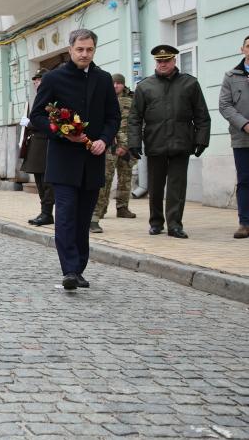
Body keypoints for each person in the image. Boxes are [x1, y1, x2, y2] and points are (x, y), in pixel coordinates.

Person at [29, 29, 119, 290]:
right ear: (70, 50)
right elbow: (38, 116)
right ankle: (68, 270)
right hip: (64, 160)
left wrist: (104, 139)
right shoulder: (54, 78)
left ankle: (79, 268)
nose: (84, 54)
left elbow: (113, 116)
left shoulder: (103, 79)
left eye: (89, 49)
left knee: (83, 218)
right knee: (66, 215)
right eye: (80, 49)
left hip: (93, 159)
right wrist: (61, 132)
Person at [128, 44, 210, 239]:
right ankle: (156, 222)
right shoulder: (145, 86)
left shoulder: (190, 84)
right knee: (155, 186)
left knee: (177, 187)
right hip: (155, 143)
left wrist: (201, 140)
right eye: (159, 61)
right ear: (156, 62)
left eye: (167, 61)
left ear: (174, 61)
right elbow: (134, 118)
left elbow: (201, 115)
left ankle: (174, 225)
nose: (163, 64)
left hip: (182, 142)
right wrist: (134, 142)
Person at [90, 73, 137, 233]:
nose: (116, 86)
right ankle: (99, 210)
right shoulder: (104, 98)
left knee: (126, 178)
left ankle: (123, 207)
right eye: (114, 83)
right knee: (105, 179)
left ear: (124, 84)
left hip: (128, 145)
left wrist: (130, 144)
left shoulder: (133, 99)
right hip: (110, 144)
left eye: (119, 83)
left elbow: (137, 122)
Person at [217, 34, 249, 239]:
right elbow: (224, 105)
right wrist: (244, 124)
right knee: (245, 180)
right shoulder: (231, 76)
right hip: (242, 137)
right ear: (242, 49)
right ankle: (245, 222)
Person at [20, 68, 54, 226]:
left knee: (47, 181)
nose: (36, 84)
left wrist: (30, 123)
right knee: (40, 180)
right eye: (35, 82)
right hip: (36, 144)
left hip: (46, 143)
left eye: (38, 81)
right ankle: (45, 212)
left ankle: (47, 213)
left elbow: (49, 121)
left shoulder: (51, 97)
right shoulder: (40, 97)